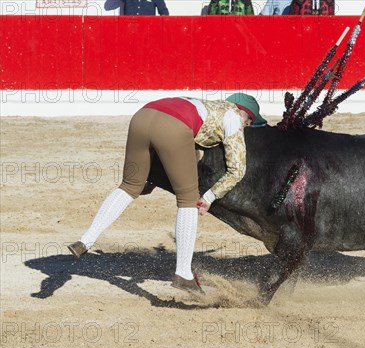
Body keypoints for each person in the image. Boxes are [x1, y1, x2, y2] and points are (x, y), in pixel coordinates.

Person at [68, 93, 266, 295]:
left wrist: (152, 180)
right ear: (242, 112)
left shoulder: (202, 104)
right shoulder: (232, 116)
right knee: (189, 200)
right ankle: (183, 273)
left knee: (129, 186)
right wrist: (208, 198)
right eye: (249, 120)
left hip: (142, 116)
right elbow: (237, 171)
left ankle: (85, 240)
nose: (247, 125)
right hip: (173, 126)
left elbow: (177, 149)